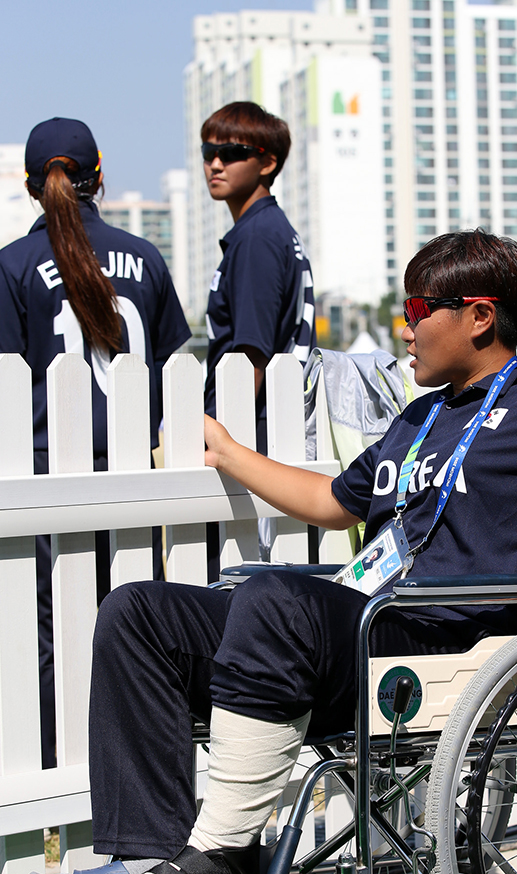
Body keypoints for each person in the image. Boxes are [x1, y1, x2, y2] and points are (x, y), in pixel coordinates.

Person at [30, 230, 517, 874]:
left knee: (274, 600)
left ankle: (219, 859)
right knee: (140, 612)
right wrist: (229, 452)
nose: (403, 327)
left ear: (479, 316)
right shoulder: (421, 417)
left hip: (451, 642)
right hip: (371, 626)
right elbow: (331, 502)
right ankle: (152, 856)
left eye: (418, 307)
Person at [0, 118, 191, 768]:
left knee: (55, 640)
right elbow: (174, 375)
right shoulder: (146, 256)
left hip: (51, 481)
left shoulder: (13, 266)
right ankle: (146, 772)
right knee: (144, 633)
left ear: (32, 186)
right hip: (140, 480)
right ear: (99, 178)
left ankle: (65, 778)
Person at [200, 101, 315, 573]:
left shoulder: (257, 238)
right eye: (209, 150)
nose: (215, 162)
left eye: (232, 151)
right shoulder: (268, 229)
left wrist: (227, 445)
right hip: (268, 431)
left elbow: (249, 357)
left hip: (252, 436)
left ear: (267, 162)